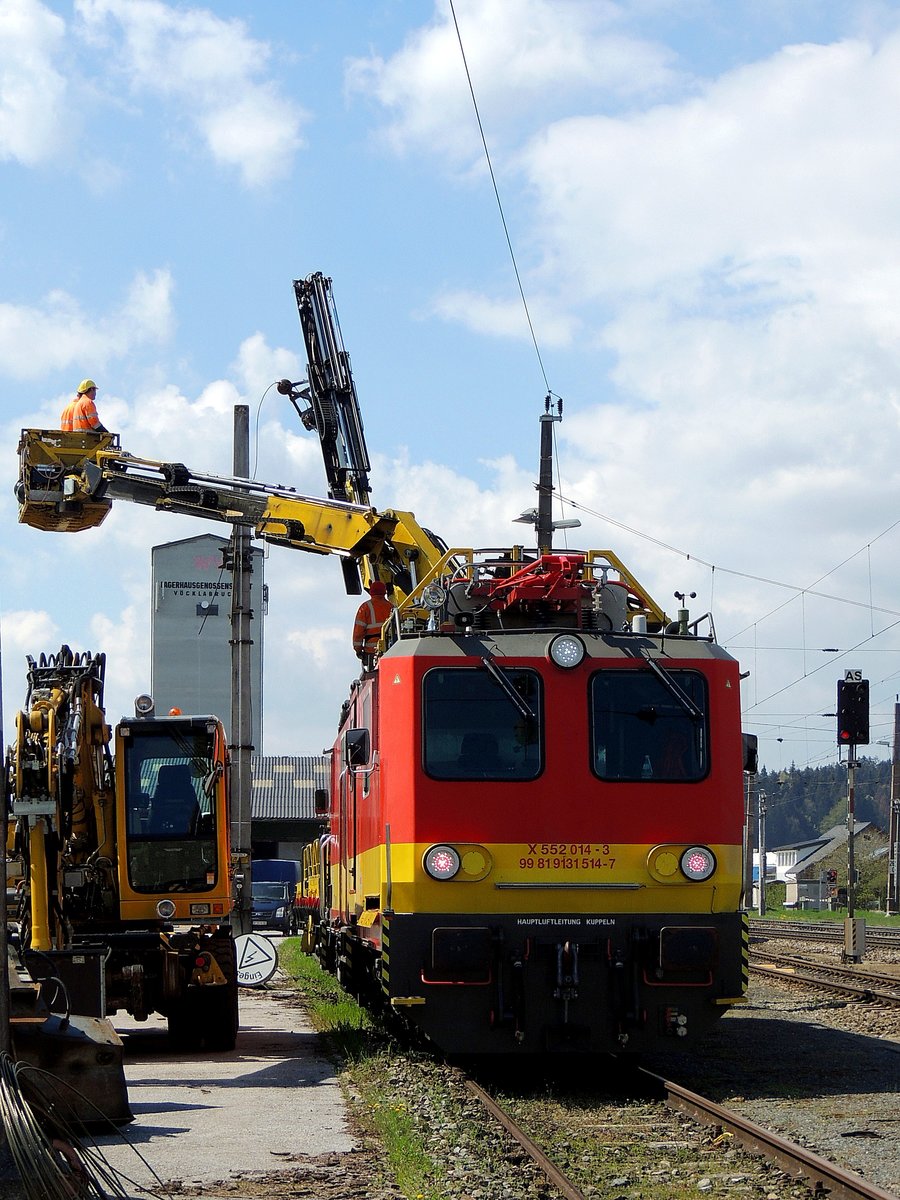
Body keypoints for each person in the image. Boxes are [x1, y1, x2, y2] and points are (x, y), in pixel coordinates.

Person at [352, 580, 393, 662]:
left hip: (371, 651)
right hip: (390, 650)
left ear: (371, 592)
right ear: (384, 592)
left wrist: (358, 650)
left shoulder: (365, 607)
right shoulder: (391, 607)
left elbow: (358, 633)